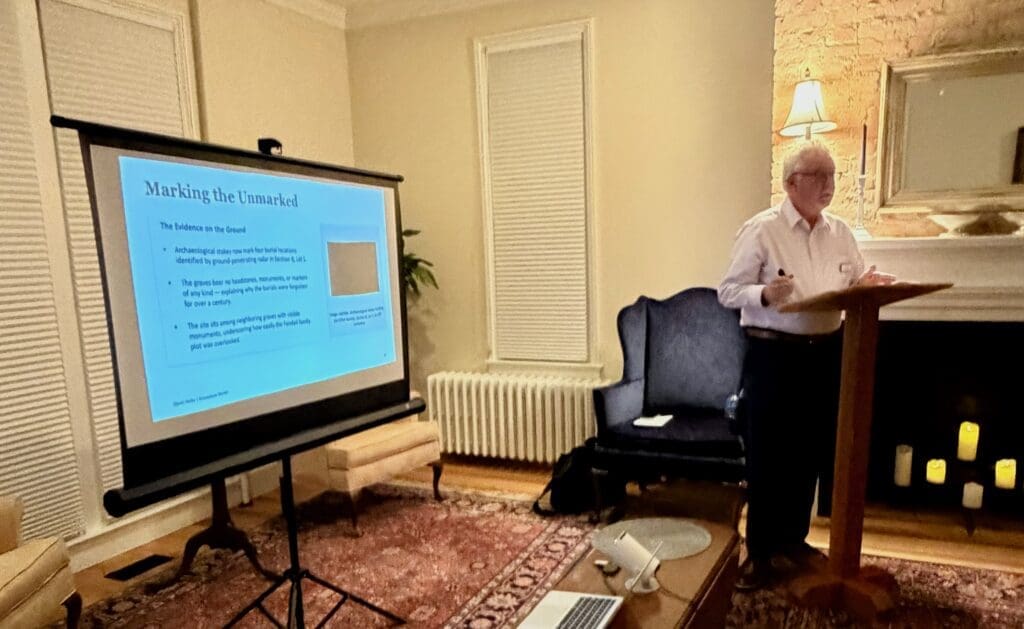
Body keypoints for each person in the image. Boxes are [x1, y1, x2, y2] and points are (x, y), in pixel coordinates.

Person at [718, 143, 894, 591]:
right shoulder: (762, 230)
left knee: (810, 452)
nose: (829, 184)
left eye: (833, 175)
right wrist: (763, 294)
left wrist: (867, 284)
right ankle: (760, 553)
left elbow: (853, 281)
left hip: (827, 353)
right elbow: (728, 291)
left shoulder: (841, 232)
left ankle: (793, 542)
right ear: (791, 182)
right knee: (769, 455)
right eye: (819, 175)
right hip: (773, 356)